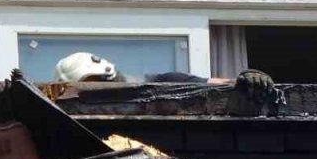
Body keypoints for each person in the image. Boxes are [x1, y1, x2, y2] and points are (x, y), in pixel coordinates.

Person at [53, 51, 275, 96]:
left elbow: (218, 85)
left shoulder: (165, 83)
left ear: (108, 76)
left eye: (92, 84)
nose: (90, 93)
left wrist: (247, 79)